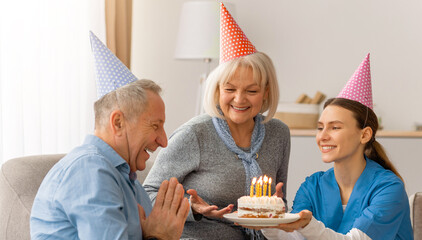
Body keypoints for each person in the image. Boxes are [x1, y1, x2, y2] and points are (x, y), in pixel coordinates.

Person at [143, 3, 290, 240]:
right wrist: (192, 208)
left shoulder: (278, 134)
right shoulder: (195, 134)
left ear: (266, 92)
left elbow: (277, 201)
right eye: (230, 89)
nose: (239, 99)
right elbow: (147, 193)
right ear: (216, 90)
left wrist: (278, 206)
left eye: (251, 91)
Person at [30, 32, 190, 240]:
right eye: (155, 126)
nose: (164, 140)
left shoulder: (128, 180)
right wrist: (158, 236)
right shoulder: (89, 170)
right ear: (118, 123)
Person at [259, 54, 413, 240]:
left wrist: (308, 225)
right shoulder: (312, 186)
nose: (323, 136)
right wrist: (268, 221)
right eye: (320, 128)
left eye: (335, 127)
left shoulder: (388, 188)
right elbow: (296, 238)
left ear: (364, 134)